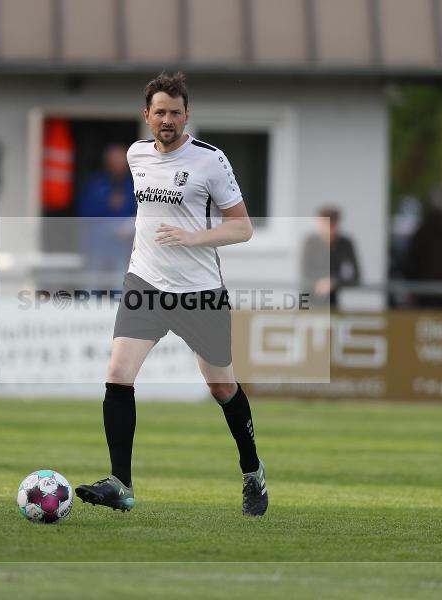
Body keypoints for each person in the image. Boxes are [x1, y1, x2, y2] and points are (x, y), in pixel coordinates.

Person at [75, 72, 267, 517]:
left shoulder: (210, 160)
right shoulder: (135, 154)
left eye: (175, 113)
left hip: (199, 291)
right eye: (159, 112)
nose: (167, 120)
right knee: (118, 375)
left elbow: (243, 227)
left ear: (186, 116)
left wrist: (192, 238)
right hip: (144, 283)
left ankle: (252, 471)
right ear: (146, 115)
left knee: (222, 387)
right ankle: (121, 484)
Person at [75, 143, 136, 274]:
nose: (118, 164)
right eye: (114, 160)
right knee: (91, 282)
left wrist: (129, 227)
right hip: (95, 245)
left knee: (118, 283)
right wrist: (107, 203)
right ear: (107, 162)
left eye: (121, 161)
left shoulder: (135, 184)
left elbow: (141, 213)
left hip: (123, 247)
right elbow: (83, 212)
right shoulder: (94, 183)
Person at [301, 206, 361, 307]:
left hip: (332, 301)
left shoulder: (345, 243)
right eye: (320, 224)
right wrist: (321, 282)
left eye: (326, 225)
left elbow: (355, 275)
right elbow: (306, 272)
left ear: (335, 225)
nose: (321, 228)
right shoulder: (310, 242)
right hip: (309, 298)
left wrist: (334, 282)